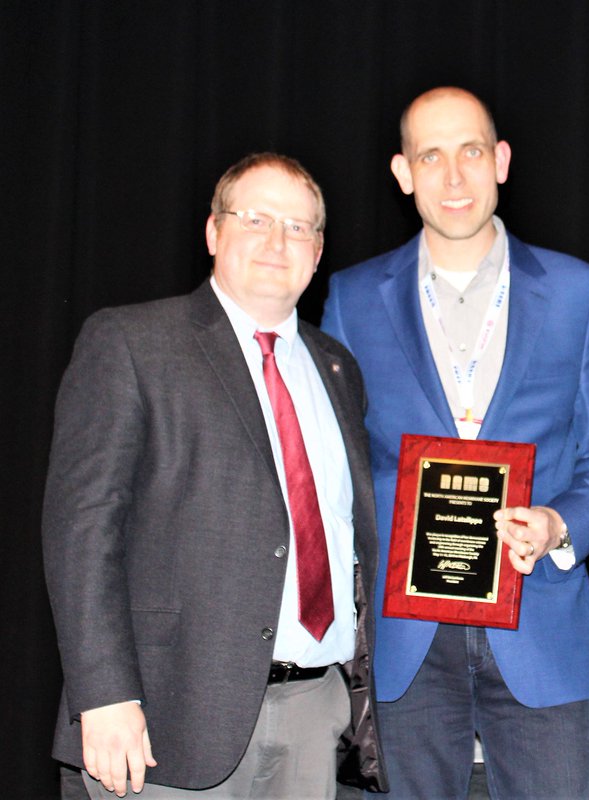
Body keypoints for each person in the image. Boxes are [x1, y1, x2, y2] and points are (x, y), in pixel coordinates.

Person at [321, 86, 589, 799]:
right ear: (403, 173)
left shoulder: (577, 292)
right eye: (430, 156)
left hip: (539, 622)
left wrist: (559, 524)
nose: (453, 176)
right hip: (405, 637)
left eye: (470, 151)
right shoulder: (353, 297)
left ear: (500, 160)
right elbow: (335, 470)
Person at [43, 153, 385, 798]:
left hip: (314, 711)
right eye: (256, 219)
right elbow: (81, 530)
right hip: (164, 716)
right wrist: (104, 694)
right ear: (213, 231)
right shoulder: (131, 341)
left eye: (298, 227)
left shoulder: (338, 368)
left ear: (317, 252)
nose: (277, 240)